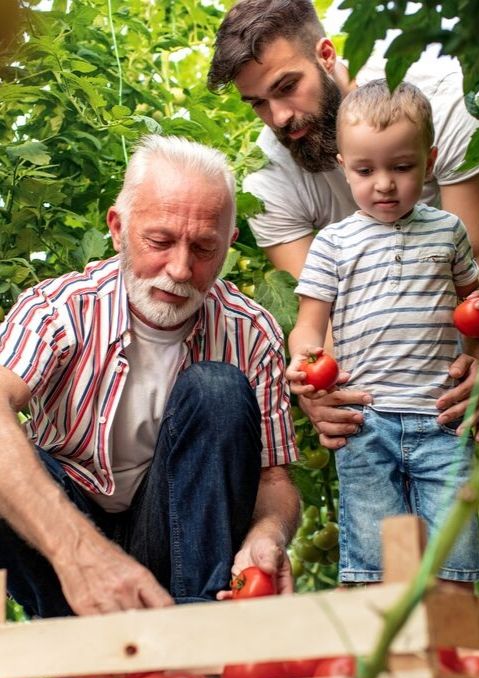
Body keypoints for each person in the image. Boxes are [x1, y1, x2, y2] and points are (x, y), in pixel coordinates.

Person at [208, 0, 479, 678]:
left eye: (285, 88)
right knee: (368, 482)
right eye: (258, 104)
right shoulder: (272, 180)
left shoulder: (435, 92)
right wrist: (315, 389)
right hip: (369, 337)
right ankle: (390, 654)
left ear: (326, 56)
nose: (279, 118)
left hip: (450, 307)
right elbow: (313, 311)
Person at [0, 134, 300, 618]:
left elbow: (274, 477)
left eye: (204, 248)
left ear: (229, 244)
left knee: (218, 389)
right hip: (65, 544)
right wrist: (79, 552)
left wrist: (268, 534)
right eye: (159, 242)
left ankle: (200, 636)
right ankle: (77, 637)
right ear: (118, 229)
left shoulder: (251, 331)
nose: (180, 270)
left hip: (181, 541)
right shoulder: (60, 309)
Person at [287, 80, 479, 586]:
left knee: (454, 556)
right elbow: (308, 326)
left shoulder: (449, 231)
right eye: (365, 170)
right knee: (373, 564)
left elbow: (474, 307)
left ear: (428, 160)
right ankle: (384, 661)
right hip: (366, 422)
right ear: (343, 166)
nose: (383, 184)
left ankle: (454, 657)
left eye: (401, 168)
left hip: (441, 419)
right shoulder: (333, 244)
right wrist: (304, 361)